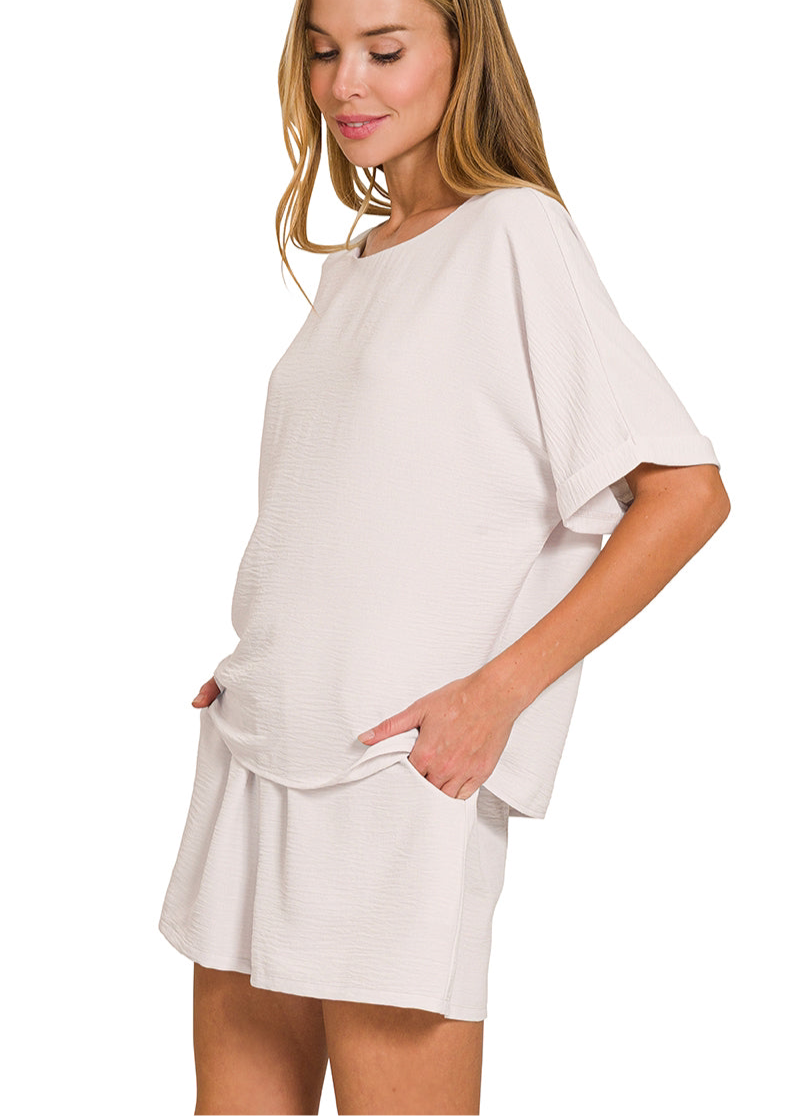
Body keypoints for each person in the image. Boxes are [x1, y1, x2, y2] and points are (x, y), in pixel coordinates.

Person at [158, 0, 731, 1112]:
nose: (346, 84)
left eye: (385, 50)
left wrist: (494, 697)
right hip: (262, 742)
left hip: (394, 771)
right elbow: (356, 502)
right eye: (323, 52)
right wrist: (266, 654)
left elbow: (684, 495)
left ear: (462, 55)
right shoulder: (358, 264)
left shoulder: (513, 234)